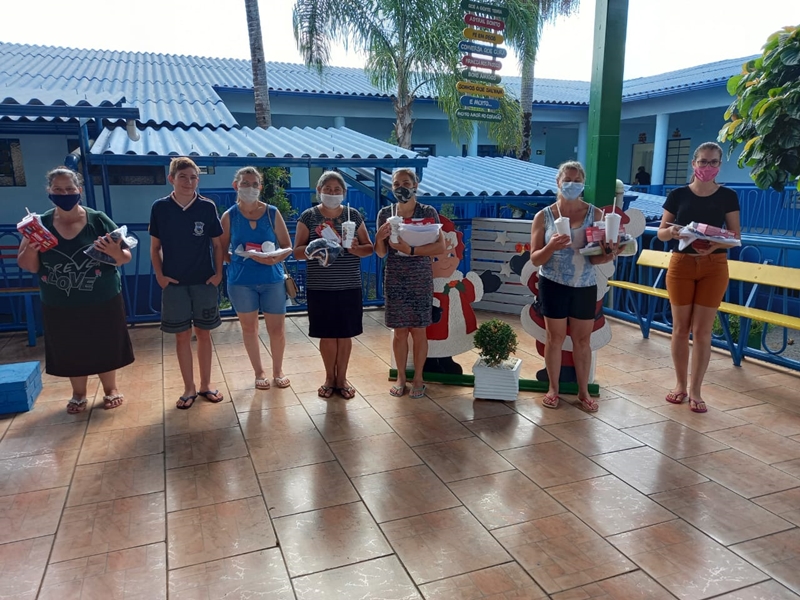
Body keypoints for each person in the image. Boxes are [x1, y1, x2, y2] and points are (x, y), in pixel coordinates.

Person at [17, 167, 134, 414]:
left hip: (102, 296)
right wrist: (32, 247)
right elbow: (29, 266)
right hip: (59, 300)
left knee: (105, 342)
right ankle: (78, 393)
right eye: (58, 189)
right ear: (49, 192)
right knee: (69, 345)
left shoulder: (98, 220)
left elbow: (124, 257)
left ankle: (110, 388)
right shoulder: (39, 225)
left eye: (69, 189)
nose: (64, 194)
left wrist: (114, 252)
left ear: (79, 190)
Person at [529, 160, 621, 412]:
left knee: (582, 340)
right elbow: (535, 258)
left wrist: (610, 253)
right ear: (558, 182)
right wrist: (552, 246)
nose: (572, 184)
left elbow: (596, 259)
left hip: (584, 284)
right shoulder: (544, 216)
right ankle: (553, 389)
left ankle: (583, 392)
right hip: (553, 283)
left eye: (577, 181)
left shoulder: (595, 215)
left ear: (583, 184)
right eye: (567, 180)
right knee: (554, 338)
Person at [657, 142, 741, 413]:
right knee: (680, 329)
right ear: (694, 164)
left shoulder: (727, 196)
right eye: (703, 161)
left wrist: (715, 244)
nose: (708, 167)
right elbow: (661, 232)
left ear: (719, 166)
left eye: (713, 162)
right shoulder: (678, 194)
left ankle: (696, 390)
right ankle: (680, 385)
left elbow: (735, 236)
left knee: (703, 331)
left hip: (714, 266)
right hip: (682, 264)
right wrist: (673, 232)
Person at [149, 157, 225, 409]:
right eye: (182, 177)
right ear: (171, 179)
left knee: (204, 334)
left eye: (193, 177)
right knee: (182, 337)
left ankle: (205, 385)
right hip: (174, 284)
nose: (188, 182)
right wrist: (160, 276)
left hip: (204, 281)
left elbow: (217, 244)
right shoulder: (160, 208)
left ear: (198, 180)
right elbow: (155, 247)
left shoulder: (207, 207)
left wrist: (218, 274)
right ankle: (188, 388)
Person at [293, 171, 374, 399]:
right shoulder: (308, 216)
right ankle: (329, 378)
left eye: (337, 189)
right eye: (327, 189)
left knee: (345, 334)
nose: (332, 193)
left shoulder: (352, 215)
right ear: (319, 191)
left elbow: (369, 248)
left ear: (344, 193)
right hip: (320, 286)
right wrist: (315, 247)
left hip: (349, 284)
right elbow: (296, 252)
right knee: (327, 335)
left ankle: (342, 379)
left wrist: (356, 248)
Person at [220, 167, 291, 390]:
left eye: (254, 184)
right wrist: (239, 259)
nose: (249, 188)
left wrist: (273, 258)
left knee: (277, 330)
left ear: (260, 187)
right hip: (241, 282)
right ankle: (259, 372)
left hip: (272, 279)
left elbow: (287, 246)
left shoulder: (272, 213)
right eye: (245, 183)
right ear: (236, 186)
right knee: (249, 329)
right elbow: (222, 250)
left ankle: (278, 370)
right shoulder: (229, 216)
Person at [376, 168, 445, 399]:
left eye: (406, 183)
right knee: (399, 332)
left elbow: (440, 246)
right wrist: (379, 237)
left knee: (419, 330)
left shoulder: (428, 212)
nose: (401, 188)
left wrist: (411, 249)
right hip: (395, 277)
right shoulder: (386, 213)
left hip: (420, 277)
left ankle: (418, 378)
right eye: (396, 184)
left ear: (415, 185)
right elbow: (381, 252)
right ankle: (401, 377)